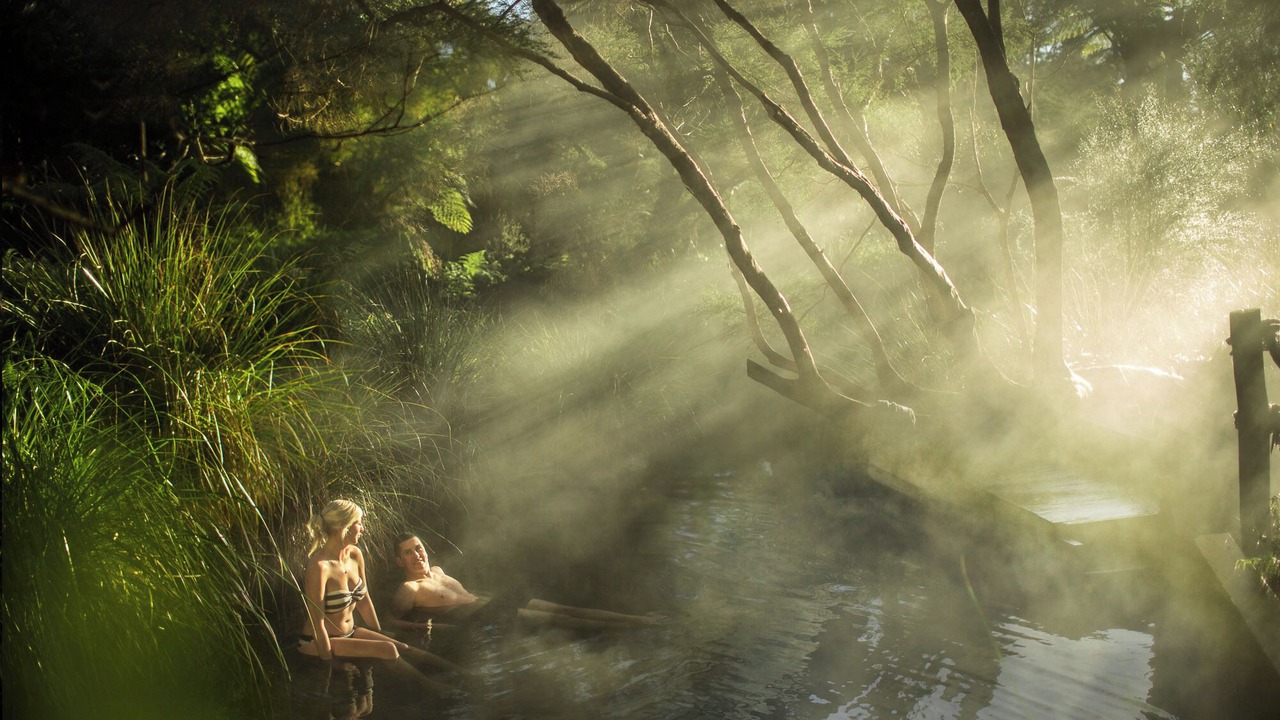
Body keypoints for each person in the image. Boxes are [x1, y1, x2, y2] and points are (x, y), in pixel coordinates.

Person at [297, 500, 462, 684]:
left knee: (403, 646)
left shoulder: (355, 554)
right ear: (344, 526)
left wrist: (379, 633)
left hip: (350, 632)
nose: (362, 529)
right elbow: (317, 623)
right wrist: (330, 663)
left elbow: (364, 600)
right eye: (359, 523)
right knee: (388, 650)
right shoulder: (319, 567)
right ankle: (437, 690)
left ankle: (463, 673)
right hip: (317, 641)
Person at [387, 533, 663, 632]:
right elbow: (392, 620)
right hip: (485, 616)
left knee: (565, 609)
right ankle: (631, 628)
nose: (416, 555)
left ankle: (639, 619)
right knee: (561, 620)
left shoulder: (437, 569)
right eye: (408, 552)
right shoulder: (409, 589)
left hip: (493, 601)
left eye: (418, 548)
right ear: (399, 561)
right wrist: (434, 627)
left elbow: (468, 593)